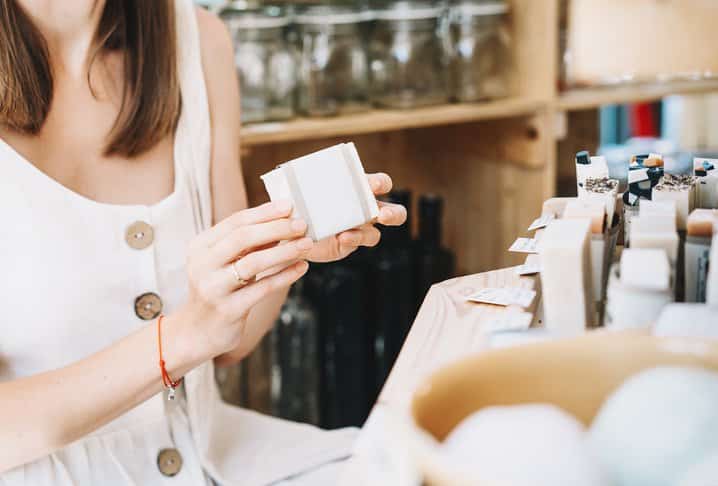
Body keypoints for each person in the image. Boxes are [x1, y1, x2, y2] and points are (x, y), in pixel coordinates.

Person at [0, 0, 407, 484]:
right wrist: (181, 336)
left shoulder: (197, 39)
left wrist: (291, 243)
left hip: (217, 456)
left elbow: (231, 343)